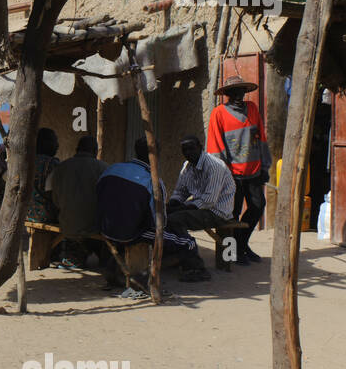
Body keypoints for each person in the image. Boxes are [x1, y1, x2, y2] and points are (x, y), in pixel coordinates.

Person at [97, 139, 202, 285]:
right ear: (156, 155)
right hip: (131, 233)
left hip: (104, 228)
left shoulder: (111, 169)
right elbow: (158, 222)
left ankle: (117, 265)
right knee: (188, 242)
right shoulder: (153, 181)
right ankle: (192, 270)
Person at [207, 75, 269, 263]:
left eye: (241, 91)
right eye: (234, 92)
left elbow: (262, 137)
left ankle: (242, 245)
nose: (238, 95)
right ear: (227, 94)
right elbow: (215, 146)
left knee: (257, 207)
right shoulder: (218, 113)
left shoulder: (252, 108)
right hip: (231, 173)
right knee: (232, 214)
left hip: (254, 170)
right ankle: (231, 253)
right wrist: (223, 173)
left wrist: (265, 165)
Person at [164, 134, 236, 276]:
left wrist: (180, 208)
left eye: (192, 149)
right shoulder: (187, 166)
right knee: (164, 215)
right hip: (200, 207)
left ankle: (195, 265)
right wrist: (171, 204)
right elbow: (180, 191)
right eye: (185, 150)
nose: (188, 153)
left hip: (217, 211)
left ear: (200, 148)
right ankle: (175, 257)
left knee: (175, 220)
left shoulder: (214, 166)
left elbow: (209, 200)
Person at [47, 136, 107, 269]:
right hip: (93, 226)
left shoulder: (61, 167)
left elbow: (55, 200)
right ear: (95, 151)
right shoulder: (103, 168)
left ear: (77, 149)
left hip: (66, 223)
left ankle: (74, 254)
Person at [27, 128, 59, 223]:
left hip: (25, 214)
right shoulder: (52, 164)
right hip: (45, 216)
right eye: (55, 141)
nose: (57, 145)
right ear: (48, 144)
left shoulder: (26, 161)